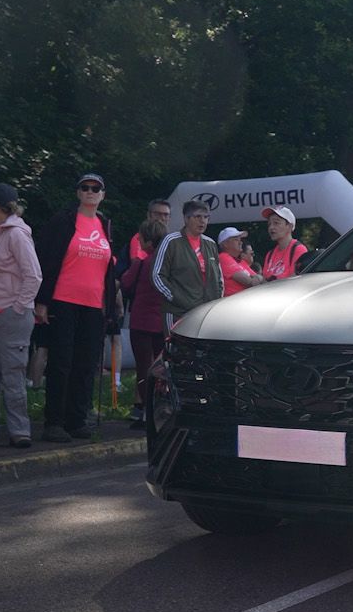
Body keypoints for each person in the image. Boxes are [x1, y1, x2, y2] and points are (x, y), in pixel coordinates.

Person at [35, 174, 116, 442]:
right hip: (63, 300)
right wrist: (42, 300)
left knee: (86, 364)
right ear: (78, 192)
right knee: (61, 362)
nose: (90, 191)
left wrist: (110, 305)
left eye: (96, 188)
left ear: (103, 195)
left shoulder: (105, 224)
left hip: (93, 304)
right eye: (85, 187)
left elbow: (108, 268)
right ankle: (54, 422)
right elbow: (46, 258)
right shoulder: (63, 221)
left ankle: (77, 419)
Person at [0, 183, 42, 449]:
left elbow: (33, 275)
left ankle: (20, 430)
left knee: (13, 372)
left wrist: (19, 307)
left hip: (11, 313)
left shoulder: (17, 235)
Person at [117, 216, 168, 429]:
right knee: (163, 367)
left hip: (141, 321)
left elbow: (126, 283)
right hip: (162, 322)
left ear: (147, 241)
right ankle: (163, 408)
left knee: (143, 367)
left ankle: (146, 411)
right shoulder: (169, 263)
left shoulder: (142, 262)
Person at [154, 200, 224, 326]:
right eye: (198, 216)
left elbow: (219, 279)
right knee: (175, 340)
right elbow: (157, 275)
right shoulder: (171, 241)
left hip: (207, 314)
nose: (202, 221)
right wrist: (175, 297)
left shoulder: (211, 244)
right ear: (186, 219)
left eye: (206, 217)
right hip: (178, 313)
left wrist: (216, 302)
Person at [260, 206, 309, 281]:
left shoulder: (298, 250)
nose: (271, 227)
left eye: (276, 223)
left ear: (290, 226)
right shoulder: (270, 254)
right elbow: (264, 281)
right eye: (269, 224)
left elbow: (295, 280)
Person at [217, 227, 262, 295]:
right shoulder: (223, 257)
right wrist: (259, 277)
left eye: (240, 239)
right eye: (236, 239)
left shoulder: (240, 261)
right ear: (225, 244)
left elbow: (259, 281)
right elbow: (250, 282)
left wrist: (257, 278)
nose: (241, 242)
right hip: (236, 300)